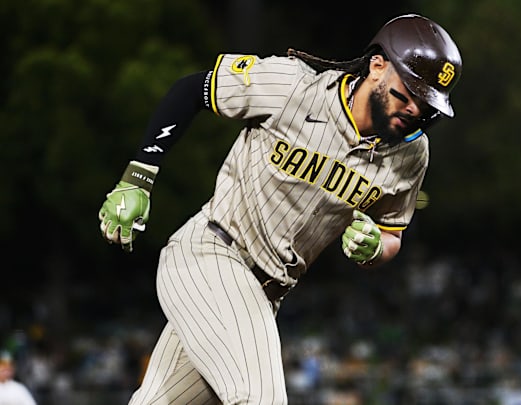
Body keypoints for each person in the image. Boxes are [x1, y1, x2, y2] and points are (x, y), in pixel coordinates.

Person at [98, 13, 461, 405]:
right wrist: (139, 176)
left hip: (265, 295)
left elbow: (392, 234)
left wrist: (376, 248)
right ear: (377, 66)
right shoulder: (294, 86)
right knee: (261, 399)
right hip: (210, 254)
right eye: (404, 94)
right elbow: (195, 90)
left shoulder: (411, 153)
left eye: (425, 105)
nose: (412, 111)